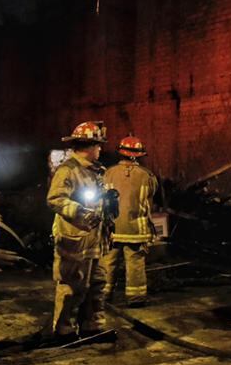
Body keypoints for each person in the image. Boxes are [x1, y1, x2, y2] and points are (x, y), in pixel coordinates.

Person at [47, 121, 111, 341]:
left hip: (95, 240)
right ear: (89, 146)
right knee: (73, 285)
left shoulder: (96, 171)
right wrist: (82, 212)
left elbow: (100, 202)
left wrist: (110, 202)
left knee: (97, 283)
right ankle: (63, 330)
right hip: (74, 240)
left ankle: (91, 326)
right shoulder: (68, 170)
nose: (100, 149)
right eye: (98, 145)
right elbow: (55, 199)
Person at [101, 136, 160, 306]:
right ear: (138, 155)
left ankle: (104, 294)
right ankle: (136, 298)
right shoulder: (147, 175)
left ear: (120, 153)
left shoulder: (109, 173)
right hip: (136, 229)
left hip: (113, 227)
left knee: (108, 261)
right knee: (135, 262)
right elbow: (152, 196)